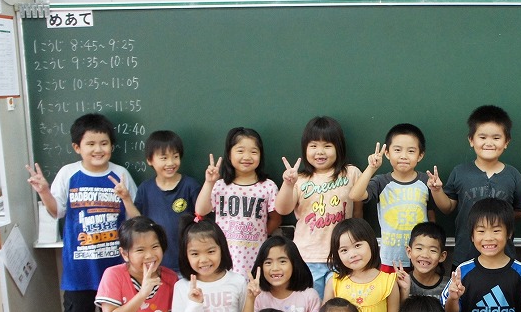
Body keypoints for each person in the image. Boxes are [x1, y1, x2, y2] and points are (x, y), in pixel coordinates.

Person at [26, 113, 138, 312]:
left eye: (104, 143)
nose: (98, 149)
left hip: (115, 262)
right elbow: (57, 212)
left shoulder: (120, 174)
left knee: (114, 309)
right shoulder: (69, 173)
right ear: (77, 147)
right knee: (78, 309)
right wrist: (44, 192)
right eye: (91, 144)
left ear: (112, 146)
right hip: (79, 262)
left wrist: (125, 198)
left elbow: (136, 218)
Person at [427, 105, 521, 266]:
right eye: (482, 137)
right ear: (471, 140)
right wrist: (437, 190)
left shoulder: (513, 175)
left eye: (496, 138)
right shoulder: (460, 172)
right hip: (465, 254)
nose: (489, 143)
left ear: (506, 142)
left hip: (504, 257)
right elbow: (448, 208)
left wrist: (500, 217)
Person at [275, 116, 362, 297]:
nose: (320, 152)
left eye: (327, 146)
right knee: (311, 307)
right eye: (313, 146)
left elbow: (358, 213)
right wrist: (288, 184)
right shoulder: (299, 179)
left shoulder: (351, 173)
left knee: (338, 308)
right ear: (305, 149)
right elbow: (283, 210)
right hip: (307, 257)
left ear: (338, 148)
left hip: (343, 256)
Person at [441, 199, 521, 312]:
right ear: (472, 236)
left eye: (496, 230)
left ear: (509, 233)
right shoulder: (462, 271)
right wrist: (453, 298)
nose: (488, 238)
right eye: (481, 231)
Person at [195, 127, 280, 276]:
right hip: (223, 256)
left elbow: (276, 218)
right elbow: (201, 211)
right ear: (229, 154)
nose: (247, 157)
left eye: (253, 152)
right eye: (240, 151)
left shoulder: (268, 186)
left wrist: (260, 235)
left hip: (255, 255)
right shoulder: (220, 185)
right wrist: (209, 182)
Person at [349, 124, 435, 268]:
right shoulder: (381, 182)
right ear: (387, 153)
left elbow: (431, 216)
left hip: (420, 258)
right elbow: (355, 195)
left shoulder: (426, 181)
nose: (403, 156)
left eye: (411, 151)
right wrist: (371, 168)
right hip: (390, 258)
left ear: (420, 155)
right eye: (397, 150)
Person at [325, 218, 399, 312]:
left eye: (357, 245)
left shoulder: (388, 281)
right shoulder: (334, 283)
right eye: (344, 250)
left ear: (371, 243)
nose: (352, 254)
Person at [133, 130, 201, 275]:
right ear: (150, 160)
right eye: (164, 158)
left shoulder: (190, 186)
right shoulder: (145, 189)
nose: (170, 163)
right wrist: (126, 198)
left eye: (175, 156)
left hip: (187, 265)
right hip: (156, 265)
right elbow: (136, 222)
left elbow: (203, 219)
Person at [243, 235, 320, 312]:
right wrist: (250, 298)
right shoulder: (258, 296)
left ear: (294, 264)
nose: (275, 268)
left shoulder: (309, 295)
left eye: (282, 261)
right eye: (268, 262)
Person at [394, 221, 454, 312]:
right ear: (409, 251)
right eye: (419, 248)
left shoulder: (449, 285)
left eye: (432, 250)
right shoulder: (400, 283)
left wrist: (453, 297)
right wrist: (405, 290)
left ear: (442, 256)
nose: (425, 255)